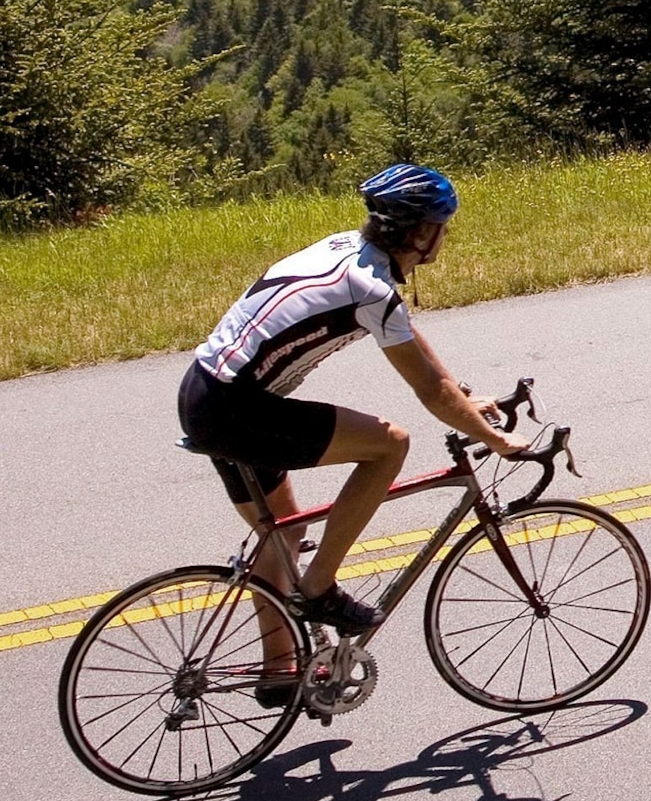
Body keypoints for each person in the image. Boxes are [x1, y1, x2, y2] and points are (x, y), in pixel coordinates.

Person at [176, 164, 522, 687]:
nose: (445, 235)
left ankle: (279, 673)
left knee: (285, 531)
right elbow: (428, 391)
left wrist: (468, 398)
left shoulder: (345, 252)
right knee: (390, 444)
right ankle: (319, 588)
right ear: (421, 233)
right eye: (442, 225)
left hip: (202, 392)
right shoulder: (371, 292)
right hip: (237, 407)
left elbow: (418, 351)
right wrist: (495, 439)